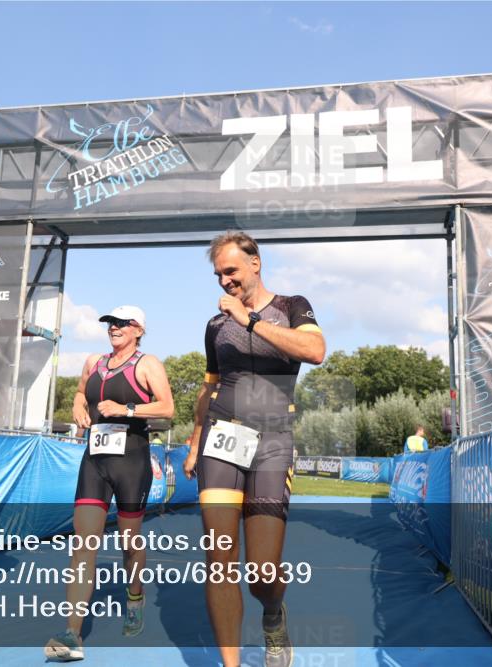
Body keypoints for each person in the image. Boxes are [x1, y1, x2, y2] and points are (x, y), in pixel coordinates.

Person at [183, 231, 325, 667]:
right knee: (220, 558)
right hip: (221, 441)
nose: (225, 281)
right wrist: (193, 443)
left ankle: (273, 611)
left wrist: (248, 321)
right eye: (219, 275)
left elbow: (315, 350)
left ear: (255, 263)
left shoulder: (291, 306)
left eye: (232, 270)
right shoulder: (214, 326)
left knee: (262, 571)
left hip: (273, 442)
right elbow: (208, 390)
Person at [45, 305, 174, 662]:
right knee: (83, 544)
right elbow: (80, 392)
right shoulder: (93, 362)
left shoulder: (148, 365)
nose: (113, 328)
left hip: (131, 461)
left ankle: (135, 594)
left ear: (138, 330)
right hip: (95, 460)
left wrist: (128, 410)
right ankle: (72, 632)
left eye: (122, 324)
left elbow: (167, 408)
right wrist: (77, 406)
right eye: (110, 323)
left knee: (129, 542)